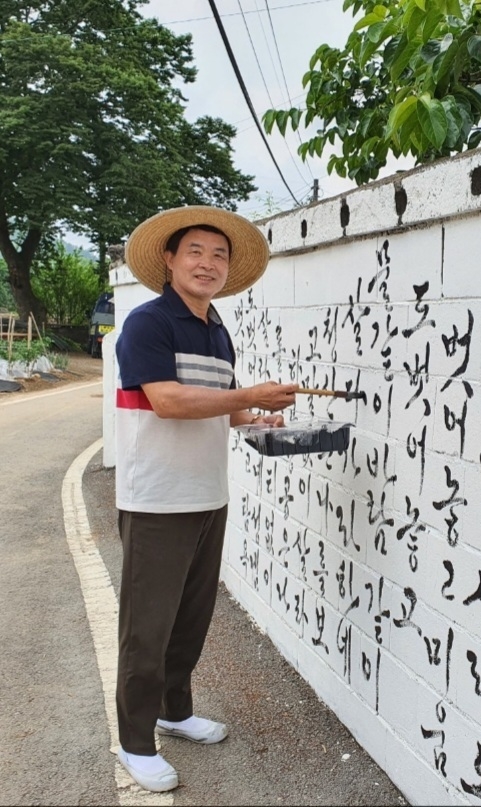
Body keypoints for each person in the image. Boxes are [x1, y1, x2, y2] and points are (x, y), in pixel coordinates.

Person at [114, 205, 298, 792]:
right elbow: (167, 401)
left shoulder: (217, 328)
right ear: (169, 260)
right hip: (156, 500)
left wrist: (254, 418)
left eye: (219, 255)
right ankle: (135, 742)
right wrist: (245, 393)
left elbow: (218, 404)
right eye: (195, 251)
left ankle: (175, 710)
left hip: (206, 494)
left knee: (190, 619)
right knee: (147, 626)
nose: (208, 263)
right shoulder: (149, 323)